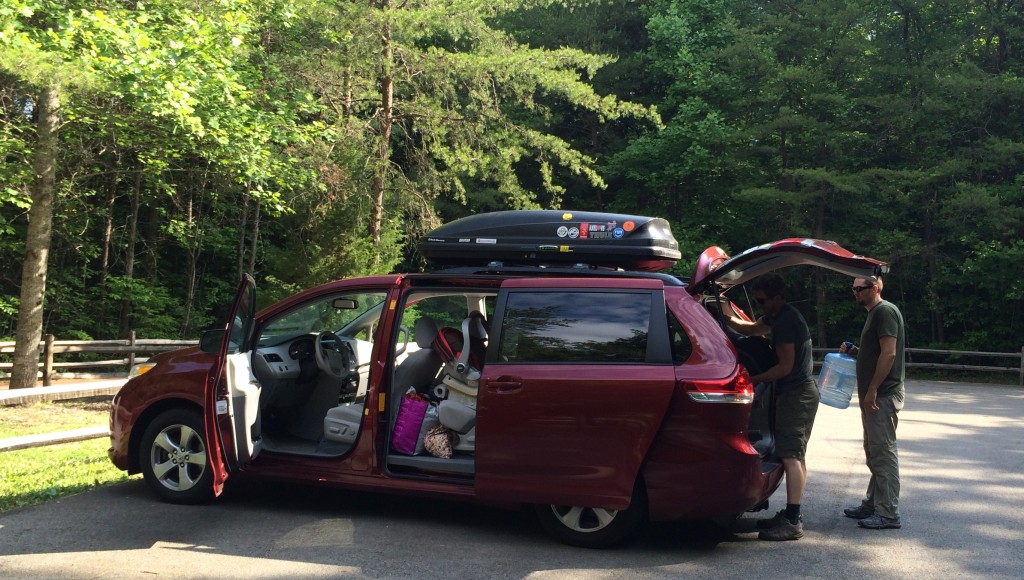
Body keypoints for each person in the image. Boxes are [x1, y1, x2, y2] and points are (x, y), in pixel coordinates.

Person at [727, 273, 818, 541]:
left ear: (778, 297)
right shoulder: (776, 316)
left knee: (791, 456)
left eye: (764, 301)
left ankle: (792, 521)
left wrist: (750, 380)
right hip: (793, 394)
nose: (761, 305)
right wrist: (720, 309)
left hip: (797, 395)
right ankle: (792, 514)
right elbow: (750, 329)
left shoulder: (787, 321)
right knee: (795, 455)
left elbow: (785, 367)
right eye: (757, 301)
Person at [839, 275, 905, 529]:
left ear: (874, 288)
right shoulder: (874, 313)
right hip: (877, 394)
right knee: (873, 451)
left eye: (860, 288)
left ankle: (888, 513)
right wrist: (855, 351)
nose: (855, 292)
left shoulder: (884, 311)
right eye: (853, 288)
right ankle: (873, 503)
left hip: (883, 394)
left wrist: (873, 389)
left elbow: (889, 353)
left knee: (883, 452)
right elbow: (877, 353)